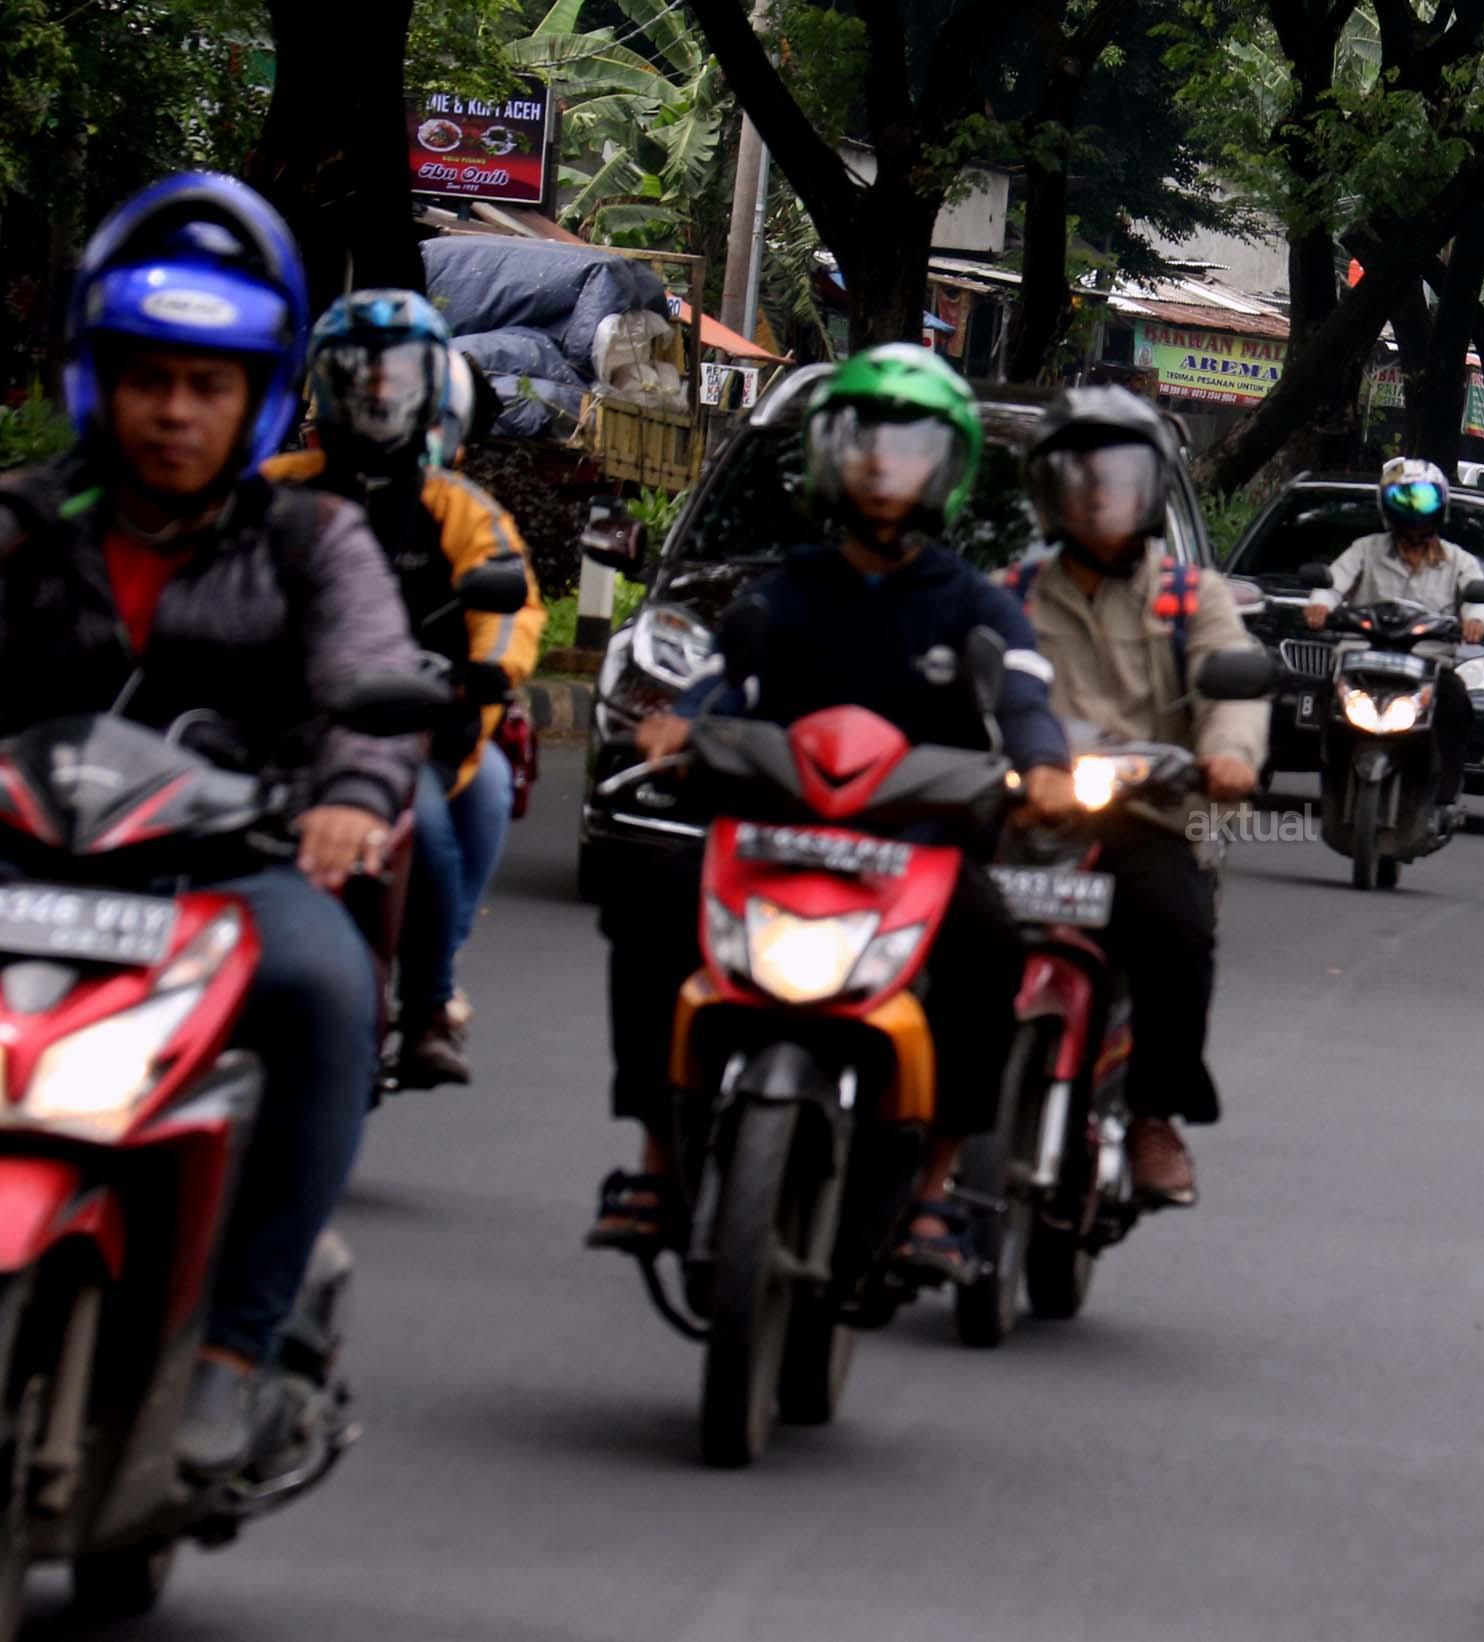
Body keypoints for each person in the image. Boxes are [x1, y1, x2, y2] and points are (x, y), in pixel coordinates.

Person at [0, 174, 423, 1475]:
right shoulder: (21, 521)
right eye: (150, 380)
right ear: (101, 383)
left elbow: (373, 680)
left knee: (329, 988)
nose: (175, 411)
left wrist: (351, 797)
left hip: (227, 871)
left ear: (255, 399)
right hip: (25, 859)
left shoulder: (313, 539)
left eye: (207, 385)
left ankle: (238, 1348)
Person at [590, 344, 1079, 1283]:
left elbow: (1024, 698)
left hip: (915, 858)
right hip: (768, 841)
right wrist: (680, 725)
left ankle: (934, 1184)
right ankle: (654, 1157)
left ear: (946, 468)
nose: (883, 466)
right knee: (651, 899)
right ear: (830, 456)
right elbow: (720, 680)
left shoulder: (974, 605)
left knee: (992, 945)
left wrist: (1046, 768)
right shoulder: (783, 590)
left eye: (910, 448)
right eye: (866, 444)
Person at [266, 294, 544, 1088]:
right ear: (325, 383)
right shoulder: (273, 490)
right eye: (359, 373)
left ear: (430, 385)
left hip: (410, 727)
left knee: (444, 809)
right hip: (276, 721)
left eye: (396, 374)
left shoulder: (456, 506)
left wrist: (490, 671)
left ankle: (426, 1006)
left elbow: (511, 605)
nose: (378, 391)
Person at [1007, 387, 1268, 1207]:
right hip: (1019, 817)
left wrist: (1228, 758)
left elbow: (1233, 689)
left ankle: (1155, 1114)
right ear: (1050, 490)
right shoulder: (1007, 592)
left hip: (1146, 819)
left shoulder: (1192, 596)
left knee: (1179, 933)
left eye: (1118, 478)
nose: (1099, 496)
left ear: (1149, 490)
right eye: (1080, 478)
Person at [1302, 457, 1484, 833]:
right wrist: (1319, 606)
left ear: (1441, 504)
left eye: (1423, 500)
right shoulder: (1364, 550)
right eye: (1403, 499)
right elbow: (1333, 584)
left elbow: (1477, 600)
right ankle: (1331, 774)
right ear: (1385, 504)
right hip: (1362, 657)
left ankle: (1443, 801)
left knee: (1456, 705)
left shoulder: (1460, 562)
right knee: (1324, 695)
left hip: (1428, 664)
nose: (1414, 511)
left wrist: (1475, 622)